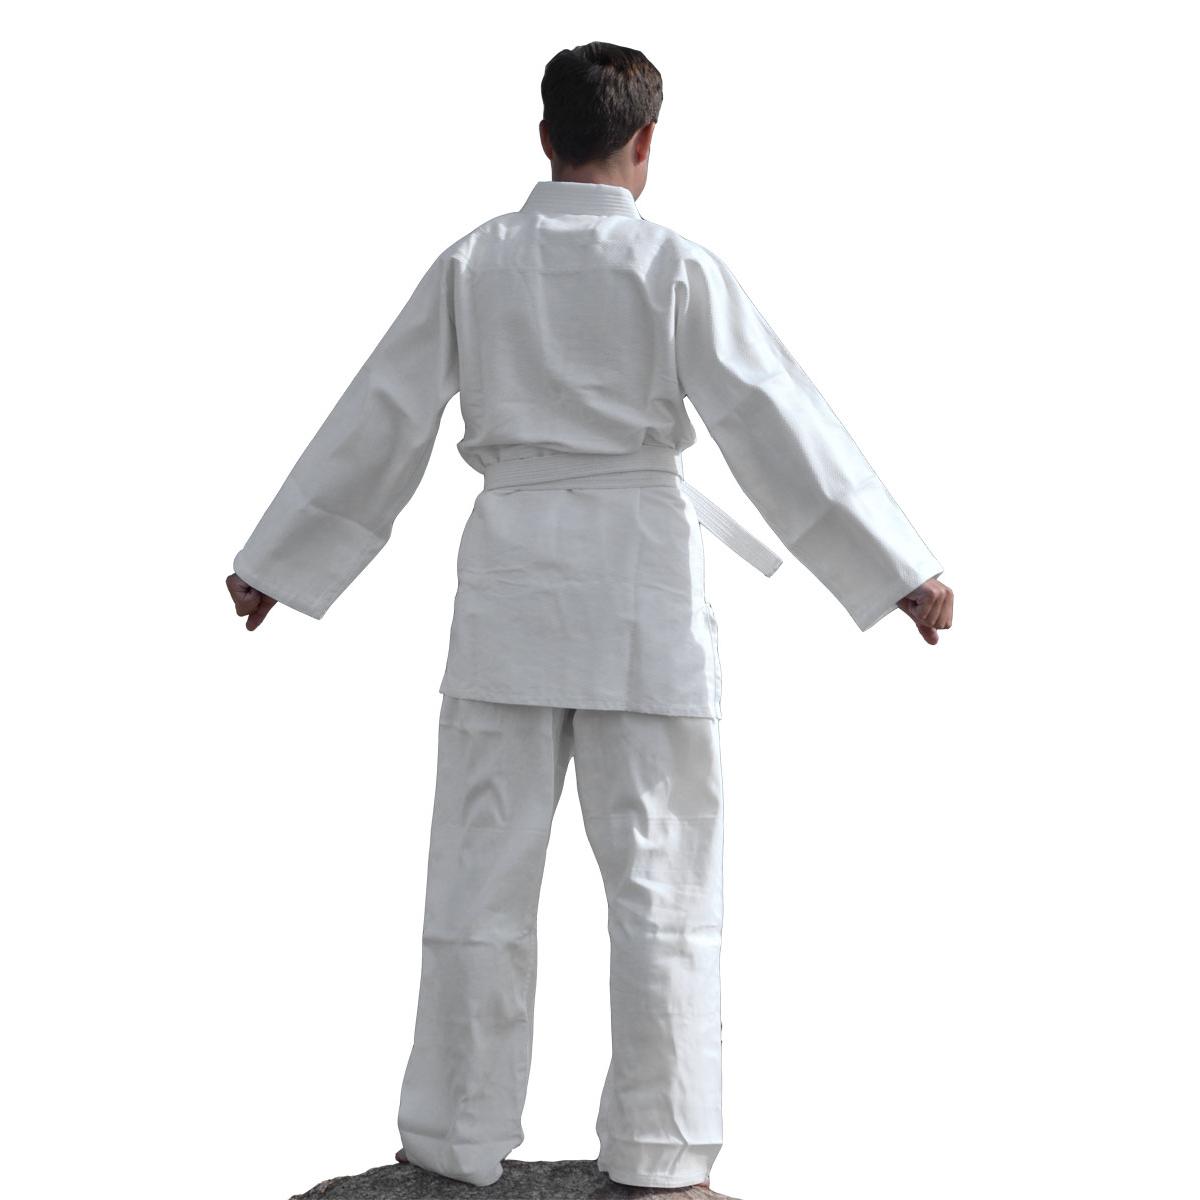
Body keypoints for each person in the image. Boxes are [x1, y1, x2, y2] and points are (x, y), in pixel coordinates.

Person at [226, 41, 953, 1196]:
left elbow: (383, 415)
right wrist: (899, 569)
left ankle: (452, 1140)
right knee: (665, 885)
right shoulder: (674, 266)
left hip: (513, 583)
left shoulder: (478, 262)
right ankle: (663, 1152)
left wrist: (275, 562)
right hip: (641, 590)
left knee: (478, 877)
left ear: (544, 136)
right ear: (647, 141)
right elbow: (775, 419)